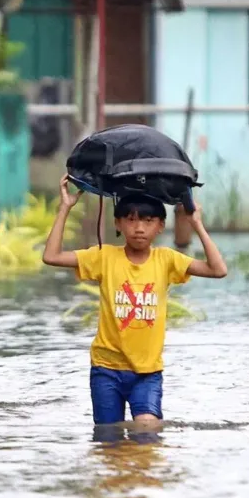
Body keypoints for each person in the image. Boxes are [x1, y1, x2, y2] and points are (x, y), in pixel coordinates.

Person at [42, 175, 227, 426]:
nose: (139, 228)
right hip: (106, 370)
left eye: (148, 220)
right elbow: (51, 256)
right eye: (131, 220)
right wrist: (65, 207)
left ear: (161, 225)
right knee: (108, 440)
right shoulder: (104, 256)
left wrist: (196, 224)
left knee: (148, 432)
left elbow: (218, 270)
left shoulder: (167, 259)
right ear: (118, 223)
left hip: (148, 373)